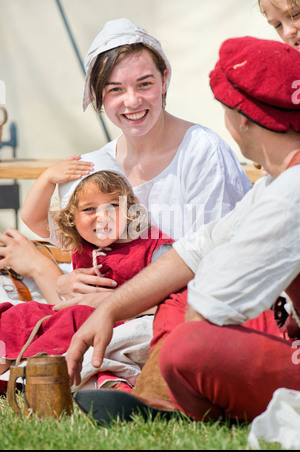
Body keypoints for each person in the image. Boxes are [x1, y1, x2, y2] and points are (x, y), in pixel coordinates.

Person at [65, 36, 300, 424]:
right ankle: (157, 397)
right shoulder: (276, 184)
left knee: (188, 347)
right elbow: (196, 248)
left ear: (240, 118)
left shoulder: (289, 191)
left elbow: (215, 303)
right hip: (275, 319)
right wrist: (111, 307)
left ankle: (166, 403)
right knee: (179, 293)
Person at [16, 17, 251, 308]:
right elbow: (59, 233)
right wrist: (64, 282)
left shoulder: (202, 151)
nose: (132, 101)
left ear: (164, 80)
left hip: (183, 312)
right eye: (115, 89)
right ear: (99, 95)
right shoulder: (98, 166)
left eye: (144, 84)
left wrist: (117, 302)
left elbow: (215, 265)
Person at [0, 154, 173, 395]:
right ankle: (7, 363)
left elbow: (171, 296)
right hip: (73, 316)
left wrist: (113, 303)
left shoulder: (151, 245)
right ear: (71, 219)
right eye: (89, 209)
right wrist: (49, 178)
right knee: (20, 314)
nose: (103, 216)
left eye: (113, 205)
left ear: (129, 206)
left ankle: (93, 380)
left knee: (79, 321)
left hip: (122, 322)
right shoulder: (79, 241)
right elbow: (32, 217)